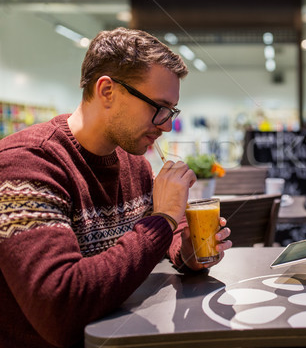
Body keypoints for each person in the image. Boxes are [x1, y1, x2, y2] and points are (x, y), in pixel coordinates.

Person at [0, 27, 232, 347]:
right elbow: (60, 309)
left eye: (172, 112)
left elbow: (171, 235)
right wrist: (161, 221)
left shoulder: (133, 163)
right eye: (158, 107)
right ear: (107, 90)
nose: (166, 125)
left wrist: (189, 252)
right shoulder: (28, 165)